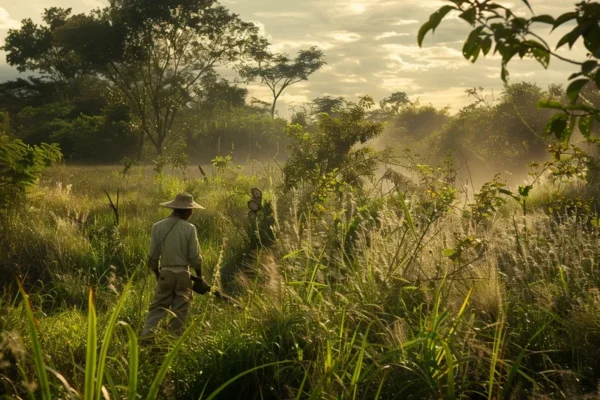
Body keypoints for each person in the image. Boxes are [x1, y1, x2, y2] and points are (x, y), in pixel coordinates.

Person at [141, 192, 208, 338]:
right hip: (184, 275)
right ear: (186, 210)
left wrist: (158, 275)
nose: (191, 213)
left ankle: (147, 336)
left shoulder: (157, 227)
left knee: (158, 307)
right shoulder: (189, 228)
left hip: (165, 273)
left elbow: (153, 257)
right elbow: (195, 257)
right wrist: (199, 276)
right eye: (190, 210)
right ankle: (172, 339)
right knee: (180, 310)